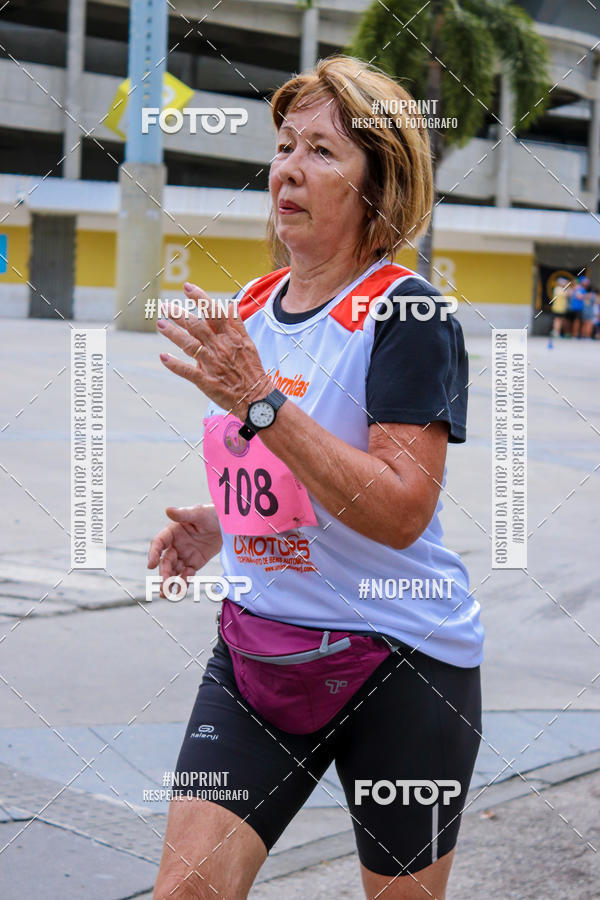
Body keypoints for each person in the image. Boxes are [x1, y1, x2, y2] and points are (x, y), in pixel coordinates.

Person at [148, 55, 484, 900]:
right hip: (260, 654)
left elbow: (400, 510)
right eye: (285, 146)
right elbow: (294, 476)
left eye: (323, 151)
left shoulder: (407, 313)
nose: (289, 168)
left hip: (402, 662)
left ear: (379, 185)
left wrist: (262, 400)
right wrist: (225, 524)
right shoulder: (252, 307)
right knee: (186, 891)